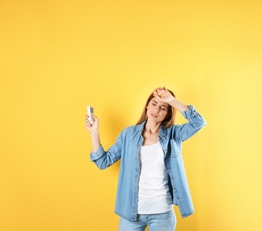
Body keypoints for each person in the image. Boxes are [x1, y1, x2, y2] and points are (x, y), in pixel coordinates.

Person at [85, 87, 206, 231]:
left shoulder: (174, 134)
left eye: (163, 108)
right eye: (154, 103)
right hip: (131, 214)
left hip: (163, 214)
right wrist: (94, 133)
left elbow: (198, 122)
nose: (156, 110)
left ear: (167, 114)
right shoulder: (128, 135)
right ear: (147, 105)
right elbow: (103, 162)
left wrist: (172, 101)